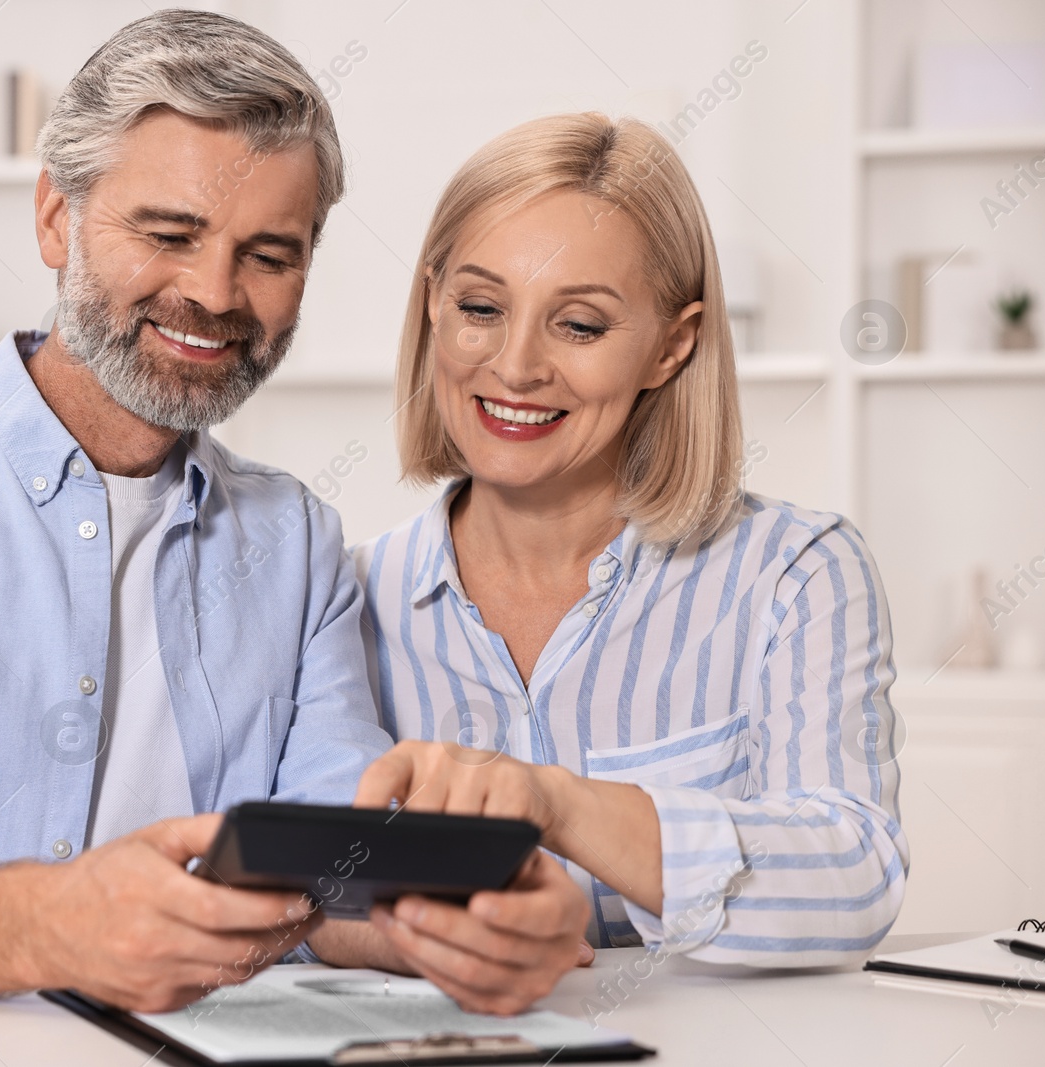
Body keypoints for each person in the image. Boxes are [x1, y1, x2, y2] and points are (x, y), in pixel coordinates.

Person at [0, 11, 586, 1015]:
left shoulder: (295, 543)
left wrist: (472, 920)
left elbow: (327, 869)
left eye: (269, 254)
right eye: (169, 234)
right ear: (56, 219)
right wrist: (48, 920)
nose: (214, 293)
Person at [350, 113, 909, 968]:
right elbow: (296, 893)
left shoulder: (794, 573)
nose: (516, 366)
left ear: (671, 346)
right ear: (434, 307)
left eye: (579, 325)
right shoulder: (345, 601)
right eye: (481, 308)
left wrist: (560, 804)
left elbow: (855, 872)